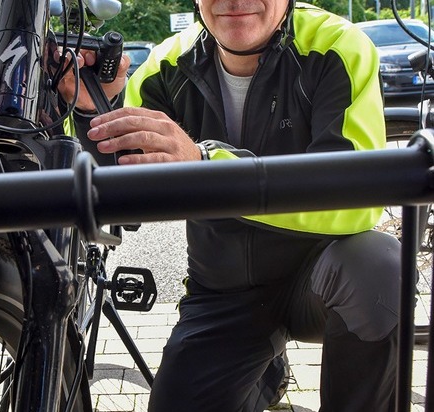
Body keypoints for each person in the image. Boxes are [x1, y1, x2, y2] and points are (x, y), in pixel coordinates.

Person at [59, 1, 400, 411]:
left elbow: (356, 200)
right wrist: (93, 107)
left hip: (320, 280)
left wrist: (206, 165)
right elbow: (119, 203)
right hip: (223, 293)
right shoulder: (166, 64)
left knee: (379, 263)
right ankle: (262, 372)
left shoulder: (339, 46)